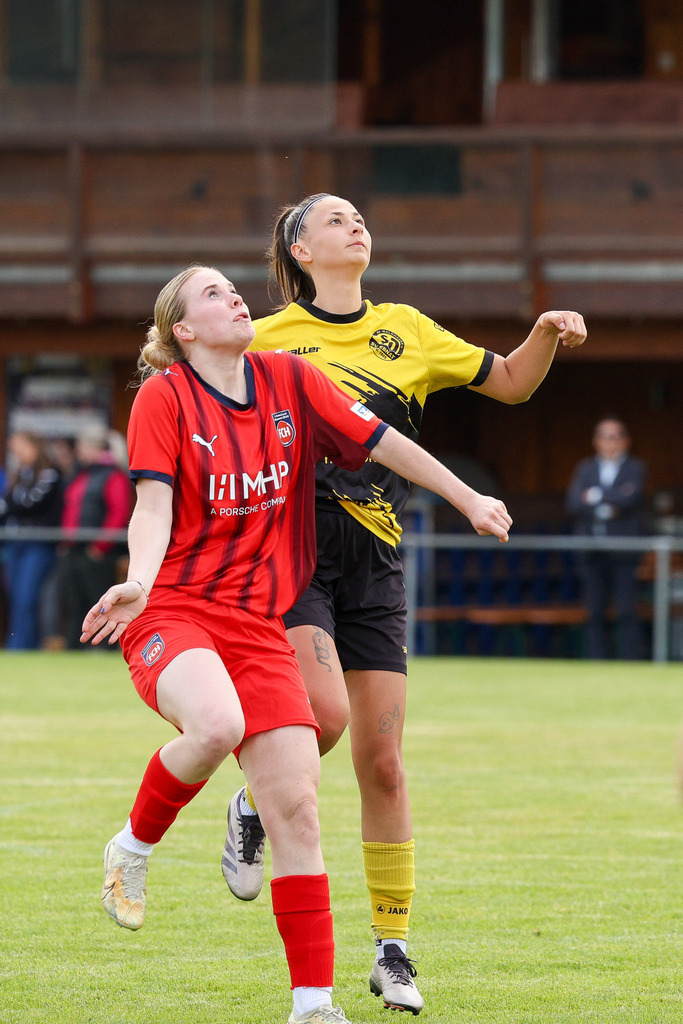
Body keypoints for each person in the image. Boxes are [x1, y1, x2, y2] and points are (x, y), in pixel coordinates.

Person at [79, 265, 512, 1024]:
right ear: (181, 331)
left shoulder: (288, 379)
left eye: (232, 287)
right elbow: (152, 505)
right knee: (217, 724)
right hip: (173, 610)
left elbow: (382, 443)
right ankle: (132, 848)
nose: (233, 296)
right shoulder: (164, 395)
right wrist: (139, 581)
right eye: (210, 294)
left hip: (257, 624)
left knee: (298, 814)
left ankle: (313, 1006)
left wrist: (469, 498)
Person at [222, 192, 587, 1015]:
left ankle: (392, 951)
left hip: (377, 565)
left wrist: (543, 333)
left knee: (383, 764)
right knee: (322, 718)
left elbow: (512, 385)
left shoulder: (409, 330)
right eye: (334, 219)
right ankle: (253, 800)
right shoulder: (266, 337)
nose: (355, 225)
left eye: (359, 217)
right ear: (301, 251)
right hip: (295, 556)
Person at [566, 416, 647, 660]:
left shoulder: (635, 468)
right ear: (595, 441)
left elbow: (630, 499)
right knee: (594, 611)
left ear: (626, 441)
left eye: (614, 436)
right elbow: (573, 503)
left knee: (626, 610)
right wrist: (609, 502)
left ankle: (630, 662)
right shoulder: (585, 468)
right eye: (604, 436)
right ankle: (595, 661)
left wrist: (595, 496)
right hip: (591, 550)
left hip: (623, 552)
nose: (609, 442)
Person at [56, 423, 133, 649]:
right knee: (74, 601)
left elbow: (118, 514)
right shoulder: (83, 474)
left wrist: (99, 547)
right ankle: (76, 646)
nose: (79, 452)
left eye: (81, 447)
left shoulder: (113, 476)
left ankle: (103, 648)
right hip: (75, 549)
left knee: (98, 603)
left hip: (97, 552)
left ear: (93, 448)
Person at [0, 431, 63, 649]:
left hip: (39, 543)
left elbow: (32, 504)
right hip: (16, 544)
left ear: (34, 445)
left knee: (28, 597)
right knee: (16, 598)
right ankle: (16, 644)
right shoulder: (20, 474)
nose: (16, 453)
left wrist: (8, 508)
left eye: (20, 447)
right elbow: (8, 505)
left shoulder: (50, 474)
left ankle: (23, 647)